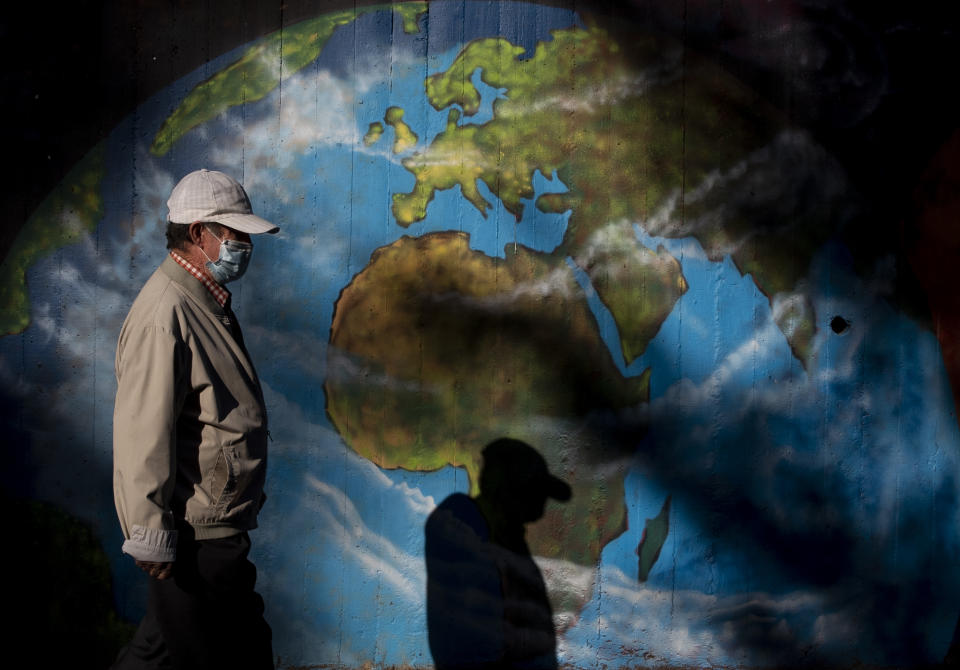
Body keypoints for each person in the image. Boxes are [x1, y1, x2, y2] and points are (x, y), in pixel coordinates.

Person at [111, 169, 278, 670]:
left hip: (211, 523)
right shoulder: (168, 311)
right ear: (199, 232)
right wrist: (147, 531)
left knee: (161, 650)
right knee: (234, 654)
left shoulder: (203, 299)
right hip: (197, 533)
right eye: (235, 234)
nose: (245, 244)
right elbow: (143, 429)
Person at [425, 438, 572, 670]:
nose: (540, 506)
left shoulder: (510, 540)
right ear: (508, 487)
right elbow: (476, 635)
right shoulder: (461, 523)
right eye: (535, 492)